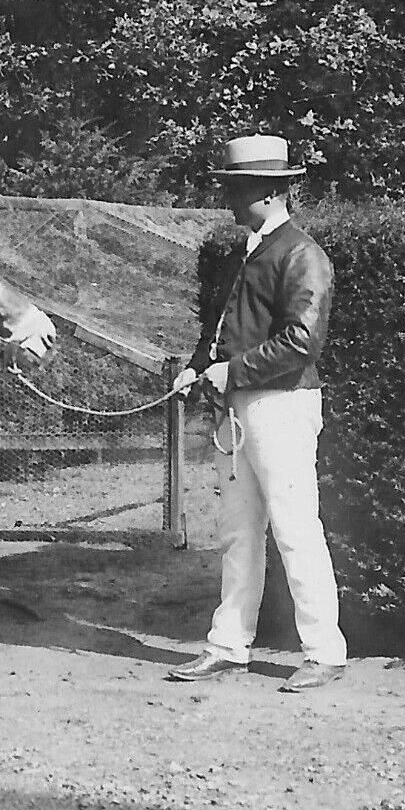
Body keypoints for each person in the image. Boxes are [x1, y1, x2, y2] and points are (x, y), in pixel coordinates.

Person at [168, 134, 349, 692]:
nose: (229, 200)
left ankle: (324, 651)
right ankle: (229, 645)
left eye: (237, 189)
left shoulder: (302, 254)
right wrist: (198, 367)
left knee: (295, 528)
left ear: (270, 192)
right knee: (237, 530)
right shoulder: (248, 250)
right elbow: (222, 328)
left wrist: (233, 373)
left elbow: (301, 342)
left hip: (283, 405)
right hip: (239, 406)